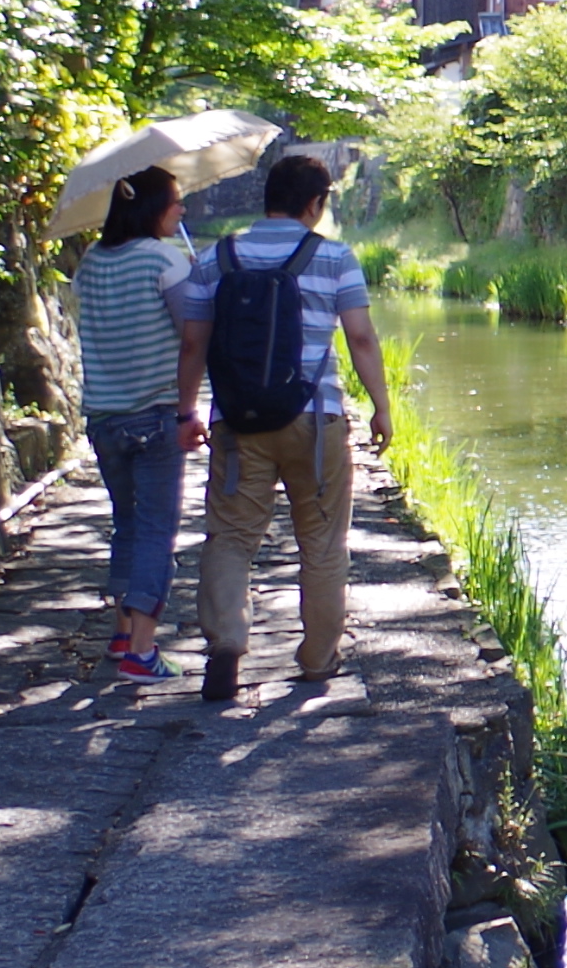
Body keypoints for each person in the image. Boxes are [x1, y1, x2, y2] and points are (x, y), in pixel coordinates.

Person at [166, 152, 392, 703]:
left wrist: (187, 410)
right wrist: (383, 407)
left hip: (238, 422)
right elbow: (360, 338)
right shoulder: (334, 257)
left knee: (232, 537)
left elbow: (193, 343)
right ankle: (318, 661)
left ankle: (226, 644)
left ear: (267, 197)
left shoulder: (219, 257)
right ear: (315, 204)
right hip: (315, 419)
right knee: (321, 543)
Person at [71, 168, 200, 682]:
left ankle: (122, 631)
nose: (182, 211)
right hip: (155, 416)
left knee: (126, 523)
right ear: (152, 208)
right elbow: (193, 333)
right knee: (155, 530)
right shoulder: (164, 261)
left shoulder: (91, 263)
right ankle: (142, 653)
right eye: (176, 202)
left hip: (104, 418)